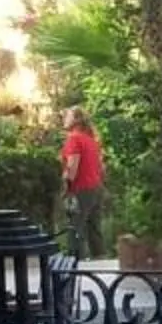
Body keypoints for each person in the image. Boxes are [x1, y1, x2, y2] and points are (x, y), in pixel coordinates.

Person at [59, 107, 105, 257]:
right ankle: (100, 261)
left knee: (75, 227)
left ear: (76, 120)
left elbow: (73, 165)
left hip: (81, 187)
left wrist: (66, 186)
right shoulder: (91, 140)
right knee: (94, 227)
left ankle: (75, 263)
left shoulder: (74, 138)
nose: (65, 117)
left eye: (68, 115)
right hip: (95, 187)